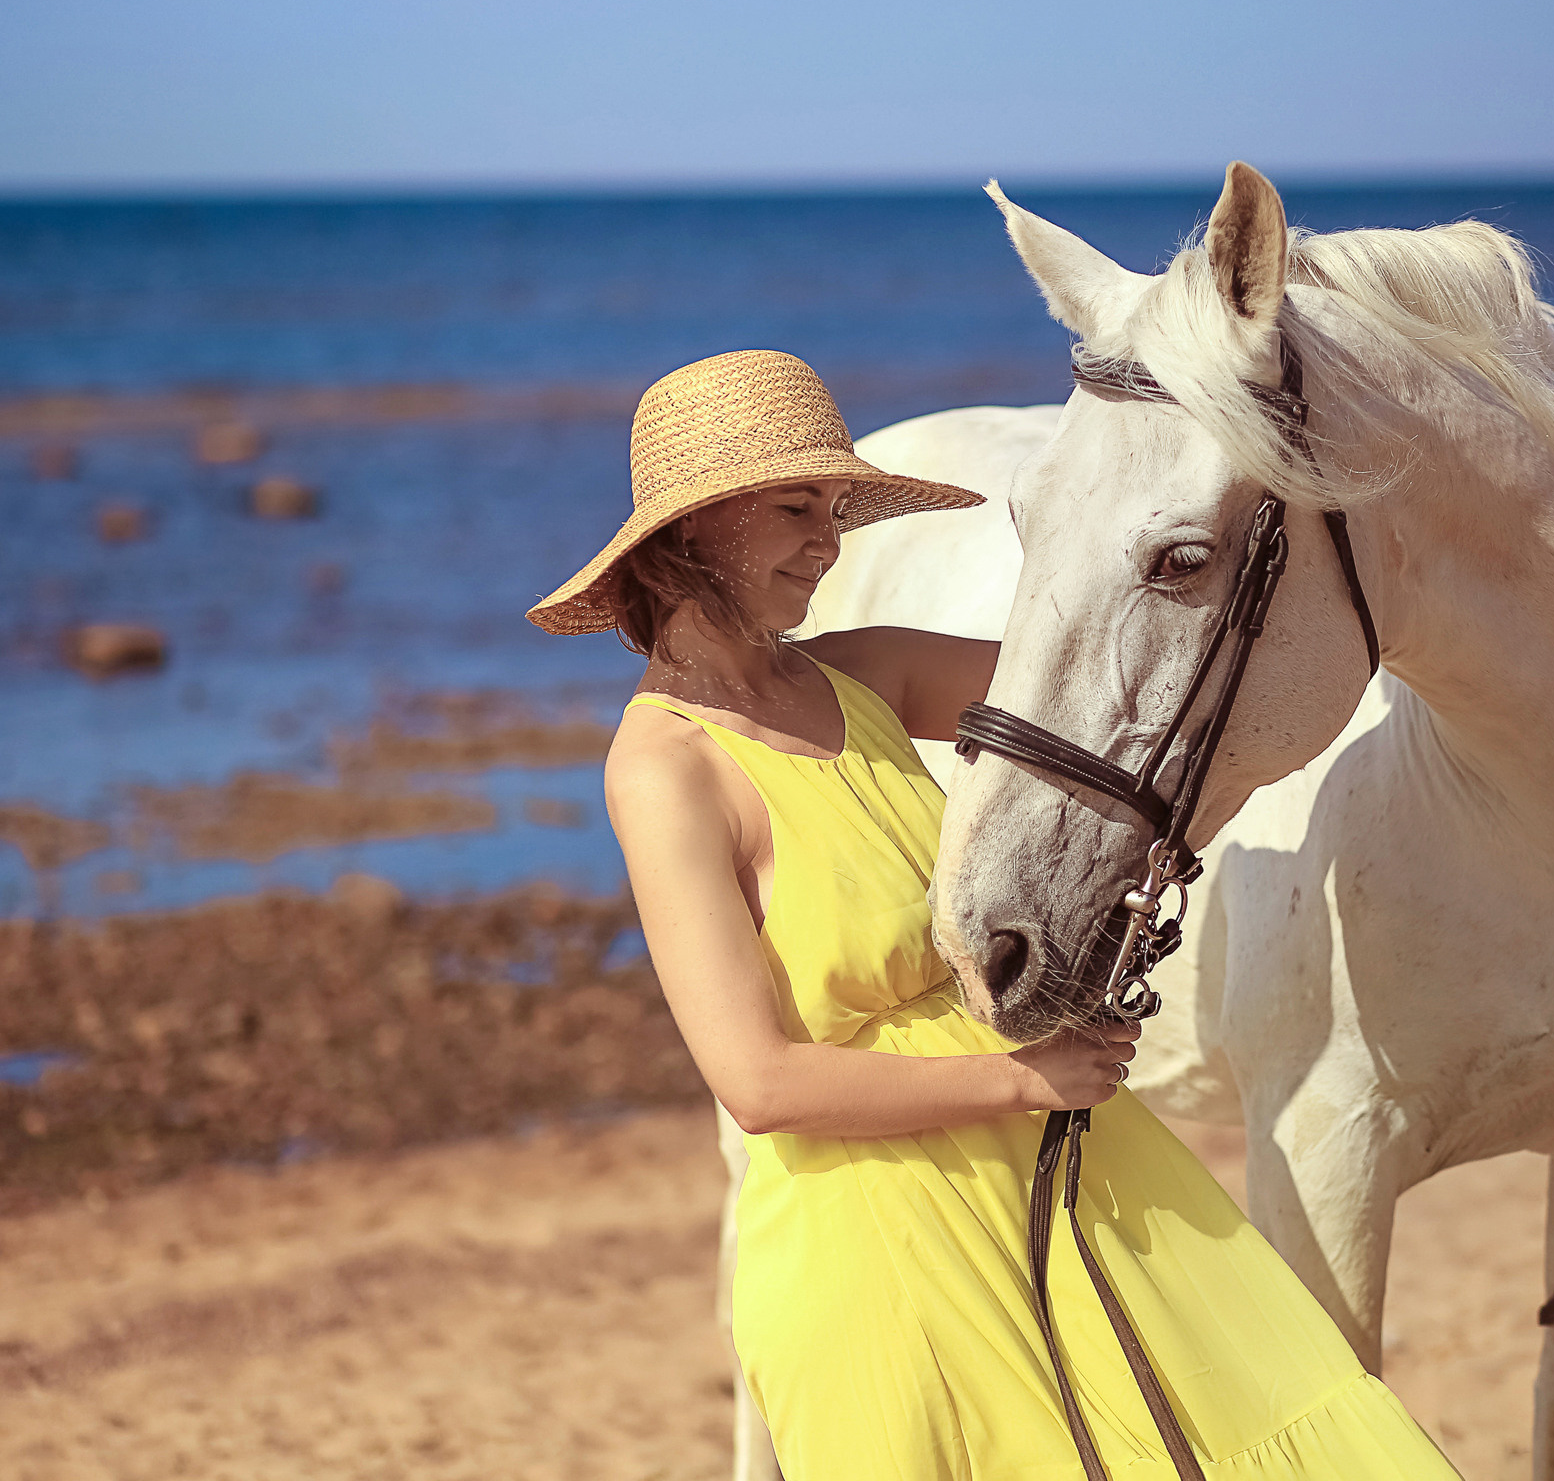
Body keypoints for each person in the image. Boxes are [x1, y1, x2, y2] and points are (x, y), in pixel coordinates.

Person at [529, 350, 1459, 1478]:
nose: (828, 542)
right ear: (694, 530)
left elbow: (1127, 679)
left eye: (834, 511)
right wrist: (1026, 1075)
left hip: (1062, 1170)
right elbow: (759, 1084)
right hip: (876, 1242)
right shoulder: (664, 768)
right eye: (793, 509)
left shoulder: (861, 673)